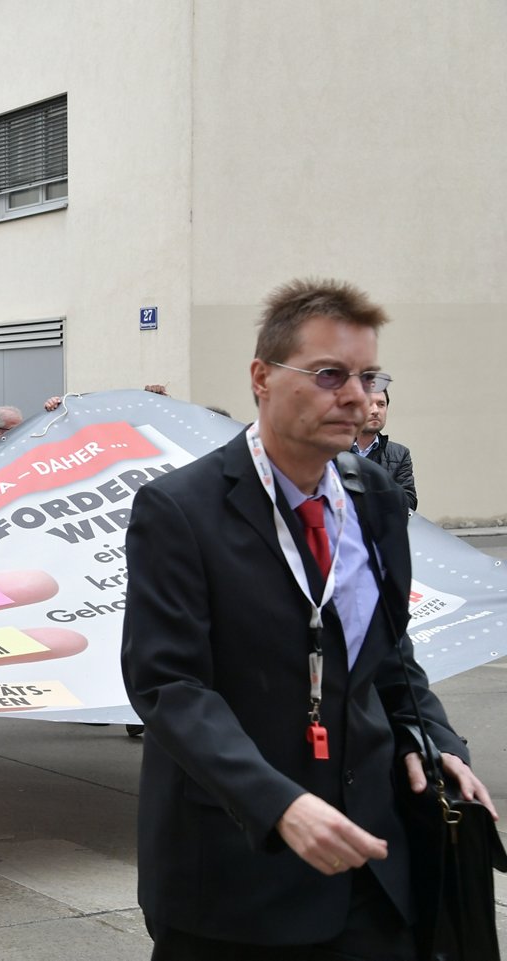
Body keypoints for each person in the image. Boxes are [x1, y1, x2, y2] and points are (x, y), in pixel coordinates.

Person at [120, 278, 495, 959]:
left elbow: (387, 652)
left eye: (368, 375)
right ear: (261, 376)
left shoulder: (373, 494)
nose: (357, 396)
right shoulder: (179, 509)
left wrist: (431, 734)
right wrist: (279, 804)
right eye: (329, 375)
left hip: (374, 863)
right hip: (235, 874)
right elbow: (170, 688)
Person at [352, 390, 417, 510]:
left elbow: (409, 502)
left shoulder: (400, 454)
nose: (375, 410)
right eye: (368, 404)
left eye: (381, 404)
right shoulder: (332, 452)